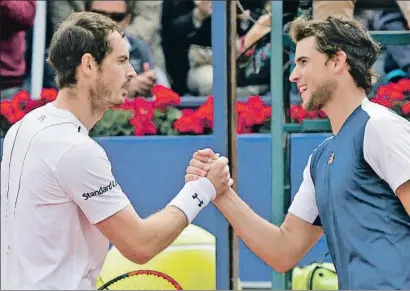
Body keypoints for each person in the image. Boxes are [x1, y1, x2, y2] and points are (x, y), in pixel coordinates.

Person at [0, 12, 231, 290]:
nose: (131, 71)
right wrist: (203, 189)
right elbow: (140, 244)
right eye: (121, 61)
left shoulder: (23, 128)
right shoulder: (75, 149)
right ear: (88, 65)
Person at [186, 16, 410, 290]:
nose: (293, 75)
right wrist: (221, 192)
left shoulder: (380, 126)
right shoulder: (320, 158)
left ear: (338, 61)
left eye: (304, 62)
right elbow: (283, 251)